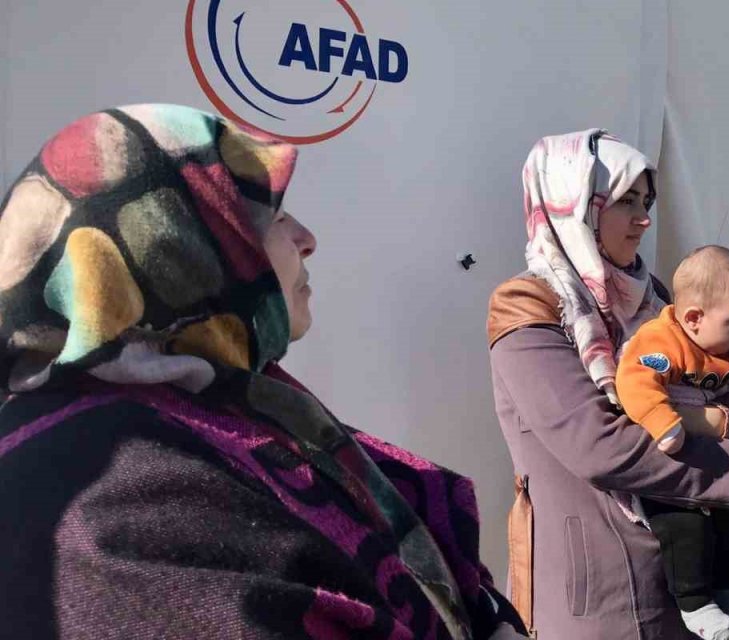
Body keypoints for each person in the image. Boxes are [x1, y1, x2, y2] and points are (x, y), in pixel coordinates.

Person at [0, 105, 526, 640]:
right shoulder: (109, 487)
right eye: (272, 217)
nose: (307, 238)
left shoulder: (222, 404)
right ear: (176, 249)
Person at [487, 130, 729, 639]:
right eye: (623, 201)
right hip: (595, 590)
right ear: (574, 204)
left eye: (646, 201)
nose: (643, 218)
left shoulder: (655, 298)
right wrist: (724, 459)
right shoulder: (527, 305)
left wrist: (723, 419)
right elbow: (595, 443)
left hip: (683, 578)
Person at [615, 244, 729, 639]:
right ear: (694, 318)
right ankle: (695, 602)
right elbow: (634, 383)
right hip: (671, 462)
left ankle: (724, 586)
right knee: (684, 528)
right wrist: (663, 422)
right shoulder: (660, 344)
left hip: (709, 457)